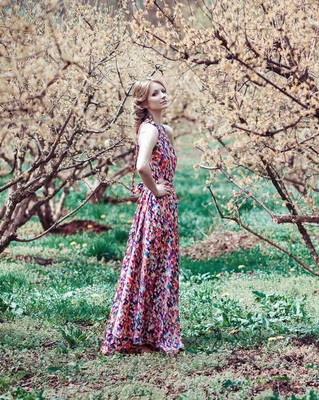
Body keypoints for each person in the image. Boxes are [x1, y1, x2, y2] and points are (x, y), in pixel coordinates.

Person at [100, 78, 183, 355]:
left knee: (162, 268)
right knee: (149, 267)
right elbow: (141, 166)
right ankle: (139, 337)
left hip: (167, 206)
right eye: (155, 93)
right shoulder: (149, 130)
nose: (162, 96)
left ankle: (155, 333)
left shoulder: (165, 130)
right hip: (156, 206)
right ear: (144, 102)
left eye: (163, 90)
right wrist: (156, 190)